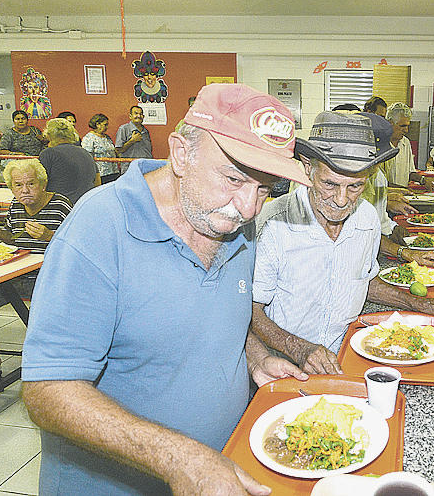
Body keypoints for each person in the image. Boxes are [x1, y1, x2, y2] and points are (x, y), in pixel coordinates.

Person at [21, 84, 313, 496]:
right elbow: (46, 390)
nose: (248, 208)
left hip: (218, 472)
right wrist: (179, 458)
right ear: (180, 153)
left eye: (264, 189)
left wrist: (256, 358)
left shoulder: (227, 219)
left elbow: (212, 309)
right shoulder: (99, 227)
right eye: (233, 178)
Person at [251, 111, 434, 374]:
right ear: (307, 167)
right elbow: (251, 312)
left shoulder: (367, 217)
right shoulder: (273, 224)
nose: (340, 200)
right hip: (285, 364)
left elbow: (364, 281)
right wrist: (298, 348)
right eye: (329, 184)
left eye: (355, 187)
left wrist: (420, 304)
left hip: (351, 356)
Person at [359, 112, 434, 269]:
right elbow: (362, 232)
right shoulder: (347, 183)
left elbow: (379, 217)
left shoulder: (377, 175)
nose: (376, 166)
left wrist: (394, 228)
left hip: (371, 253)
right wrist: (403, 252)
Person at [0, 159, 72, 305]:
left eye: (31, 184)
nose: (25, 190)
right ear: (11, 188)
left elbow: (79, 244)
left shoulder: (60, 205)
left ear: (43, 185)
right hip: (16, 274)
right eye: (18, 185)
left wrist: (49, 236)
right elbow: (12, 239)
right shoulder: (16, 205)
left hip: (51, 278)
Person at [38, 118, 100, 204]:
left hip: (60, 207)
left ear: (49, 135)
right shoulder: (86, 153)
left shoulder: (48, 154)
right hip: (85, 205)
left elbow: (39, 184)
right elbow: (97, 182)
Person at [0, 110, 47, 179]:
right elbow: (2, 150)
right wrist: (16, 154)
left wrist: (42, 139)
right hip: (19, 166)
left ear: (27, 120)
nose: (20, 121)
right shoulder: (9, 134)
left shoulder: (35, 130)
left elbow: (45, 143)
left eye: (23, 119)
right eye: (17, 119)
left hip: (37, 164)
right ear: (13, 121)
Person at [383, 102, 420, 187]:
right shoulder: (381, 144)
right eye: (402, 126)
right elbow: (379, 183)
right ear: (390, 123)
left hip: (401, 197)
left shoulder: (405, 143)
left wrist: (423, 180)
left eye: (407, 126)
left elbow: (411, 172)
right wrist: (401, 190)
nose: (406, 130)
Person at [82, 113, 121, 184]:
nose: (107, 127)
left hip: (113, 172)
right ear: (97, 124)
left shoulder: (107, 137)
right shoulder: (89, 138)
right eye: (105, 125)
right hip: (100, 174)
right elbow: (87, 156)